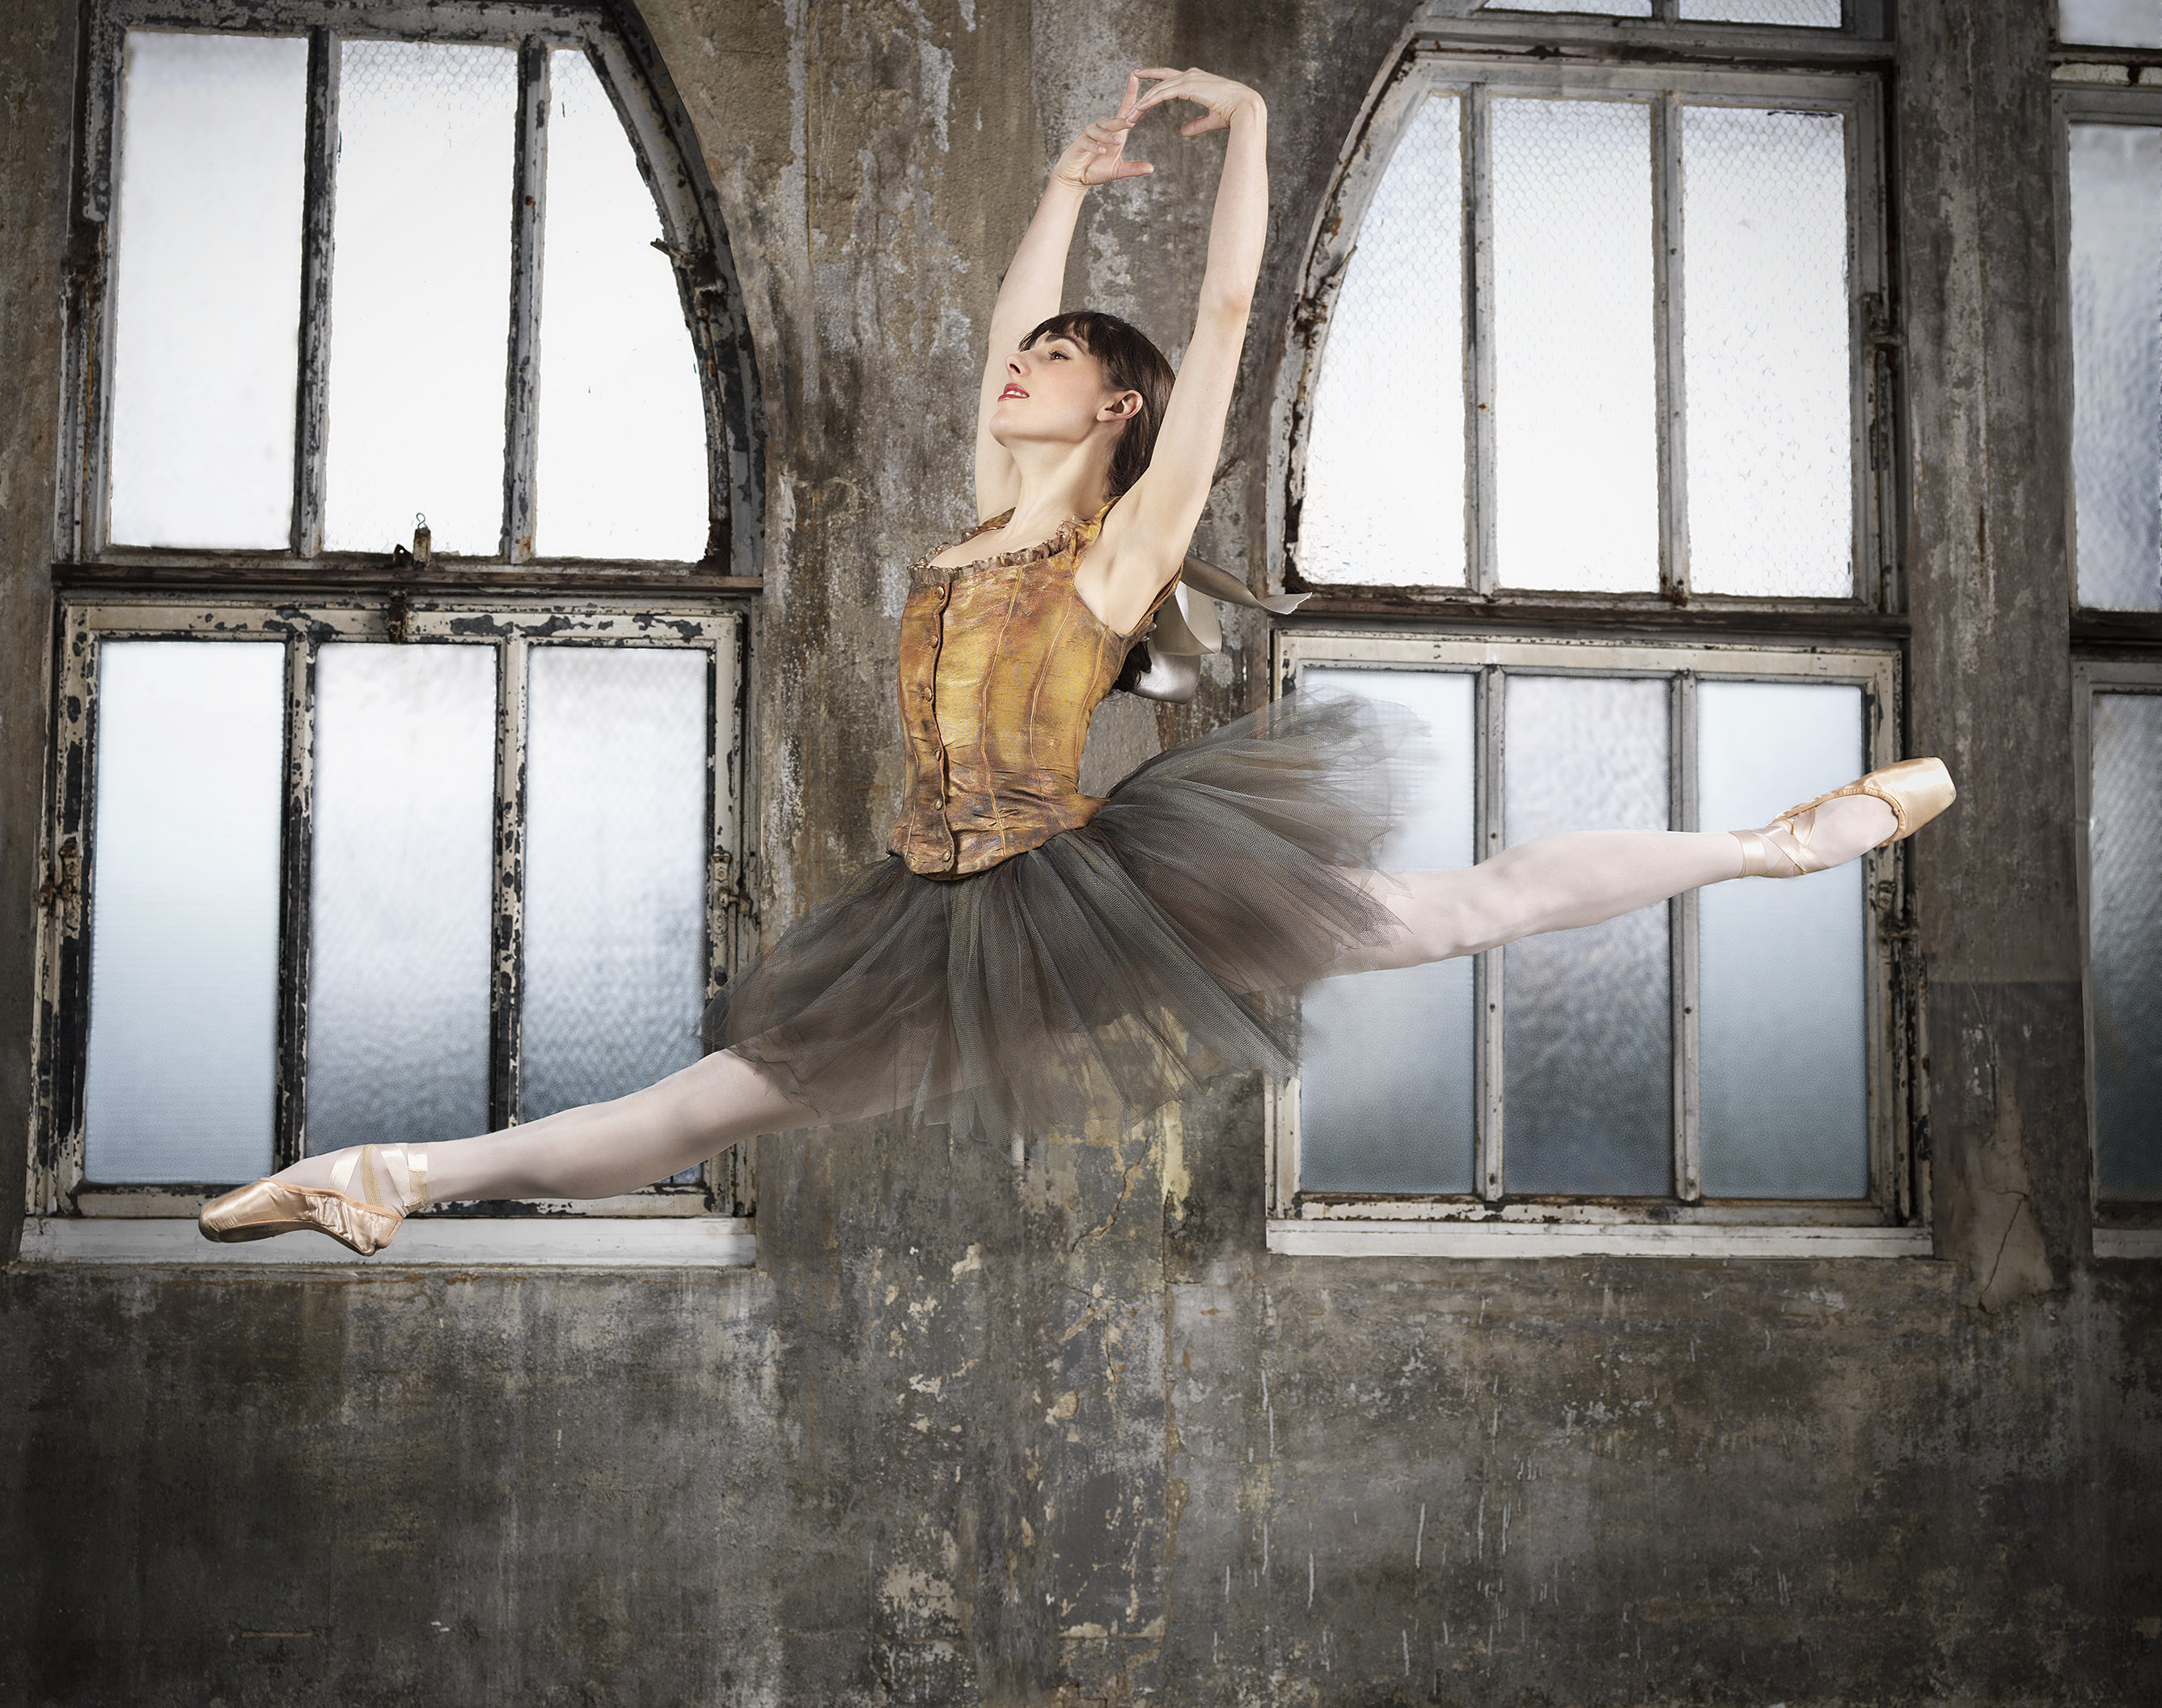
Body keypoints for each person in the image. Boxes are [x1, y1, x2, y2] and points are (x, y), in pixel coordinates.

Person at [201, 68, 1953, 1256]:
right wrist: (1056, 186)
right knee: (698, 1113)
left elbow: (1220, 319)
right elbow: (994, 324)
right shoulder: (985, 516)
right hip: (934, 901)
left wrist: (1255, 128)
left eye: (1053, 362)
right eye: (1020, 355)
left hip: (1092, 879)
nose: (1015, 369)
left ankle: (1773, 844)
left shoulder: (1117, 538)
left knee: (1456, 909)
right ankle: (392, 1176)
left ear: (1114, 410)